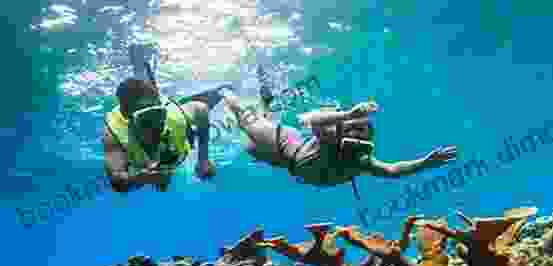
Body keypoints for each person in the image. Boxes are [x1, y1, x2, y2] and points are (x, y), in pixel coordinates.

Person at [219, 70, 459, 199]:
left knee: (249, 147)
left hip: (287, 164)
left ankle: (266, 102)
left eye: (363, 130)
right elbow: (309, 119)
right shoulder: (332, 139)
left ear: (369, 138)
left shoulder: (362, 161)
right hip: (287, 143)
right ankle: (225, 92)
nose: (357, 133)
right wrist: (347, 114)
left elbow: (394, 170)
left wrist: (425, 163)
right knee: (247, 124)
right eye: (354, 127)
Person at [104, 49, 231, 193]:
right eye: (148, 118)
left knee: (148, 88)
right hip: (143, 114)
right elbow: (117, 181)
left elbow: (201, 109)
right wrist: (141, 178)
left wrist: (203, 159)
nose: (157, 124)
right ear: (129, 121)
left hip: (163, 108)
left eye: (160, 114)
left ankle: (141, 62)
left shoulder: (174, 117)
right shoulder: (115, 136)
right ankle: (140, 64)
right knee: (143, 89)